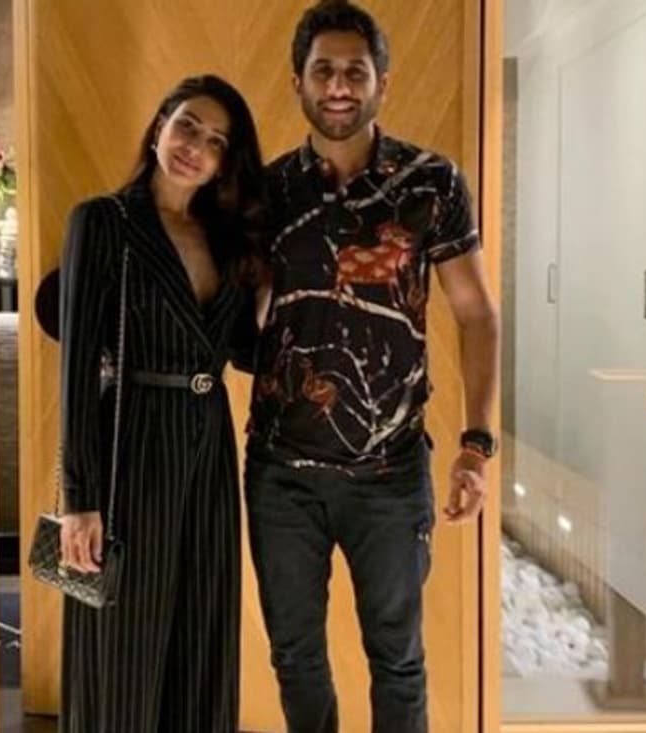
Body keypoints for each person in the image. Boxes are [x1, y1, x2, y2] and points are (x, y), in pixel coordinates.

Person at [244, 2, 501, 731]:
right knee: (295, 656)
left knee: (398, 659)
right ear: (297, 81)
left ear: (382, 82)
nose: (338, 86)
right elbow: (238, 312)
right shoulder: (266, 193)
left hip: (390, 472)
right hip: (280, 472)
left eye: (355, 71)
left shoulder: (432, 183)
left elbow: (477, 313)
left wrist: (477, 444)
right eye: (323, 70)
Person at [55, 74, 265, 733]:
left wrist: (269, 292)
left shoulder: (225, 241)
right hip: (132, 439)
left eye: (216, 141)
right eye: (187, 126)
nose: (195, 147)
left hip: (209, 442)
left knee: (203, 633)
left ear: (225, 162)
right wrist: (77, 498)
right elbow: (77, 367)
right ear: (158, 127)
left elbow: (244, 353)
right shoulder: (103, 223)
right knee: (122, 640)